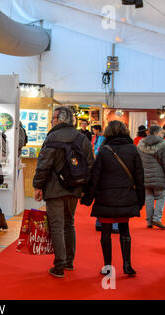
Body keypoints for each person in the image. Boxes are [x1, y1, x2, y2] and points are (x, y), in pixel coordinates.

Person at [33, 107, 94, 278]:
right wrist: (83, 187)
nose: (51, 121)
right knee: (69, 223)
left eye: (53, 118)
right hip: (74, 188)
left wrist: (38, 186)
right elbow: (90, 164)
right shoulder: (82, 138)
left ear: (60, 119)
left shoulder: (52, 137)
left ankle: (59, 265)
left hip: (54, 188)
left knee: (57, 225)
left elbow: (43, 164)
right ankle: (69, 261)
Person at [81, 121, 145, 277]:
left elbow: (95, 177)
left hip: (105, 197)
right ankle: (127, 265)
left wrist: (88, 198)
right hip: (126, 197)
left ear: (108, 132)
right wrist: (140, 200)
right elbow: (139, 177)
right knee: (124, 230)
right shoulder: (133, 149)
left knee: (106, 232)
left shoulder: (104, 151)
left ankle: (108, 266)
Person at [137, 126, 165, 229]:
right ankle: (157, 219)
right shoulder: (162, 144)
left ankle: (149, 221)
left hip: (145, 176)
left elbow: (138, 161)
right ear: (156, 133)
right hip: (159, 176)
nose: (163, 135)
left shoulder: (141, 143)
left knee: (149, 197)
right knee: (161, 196)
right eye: (161, 133)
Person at [91, 124, 118, 233]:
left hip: (103, 176)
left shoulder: (103, 144)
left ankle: (99, 223)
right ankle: (115, 225)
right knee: (115, 201)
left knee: (101, 199)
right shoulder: (123, 145)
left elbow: (97, 156)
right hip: (117, 176)